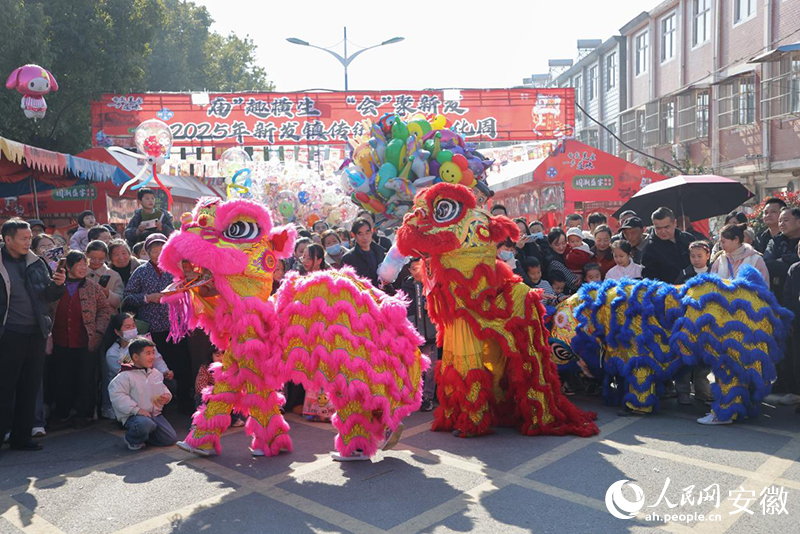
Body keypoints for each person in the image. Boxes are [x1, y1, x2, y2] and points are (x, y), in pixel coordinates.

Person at [0, 219, 66, 452]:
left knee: (29, 387)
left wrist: (58, 285)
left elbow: (46, 295)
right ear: (7, 239)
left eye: (30, 238)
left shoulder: (36, 262)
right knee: (4, 388)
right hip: (8, 334)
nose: (29, 242)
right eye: (23, 238)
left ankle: (21, 437)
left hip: (36, 331)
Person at [123, 233, 194, 414]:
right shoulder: (140, 271)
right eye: (154, 250)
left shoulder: (177, 269)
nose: (158, 253)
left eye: (162, 249)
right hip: (153, 329)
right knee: (156, 367)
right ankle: (160, 406)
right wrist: (148, 298)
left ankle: (185, 402)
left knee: (182, 365)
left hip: (177, 327)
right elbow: (128, 297)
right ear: (147, 252)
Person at [49, 251, 112, 429]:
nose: (84, 267)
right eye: (79, 264)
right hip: (60, 340)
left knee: (86, 378)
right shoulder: (56, 285)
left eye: (85, 264)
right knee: (62, 377)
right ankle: (63, 412)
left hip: (86, 340)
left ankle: (85, 414)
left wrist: (98, 332)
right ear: (68, 267)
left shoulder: (92, 287)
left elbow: (104, 310)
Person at [108, 338, 177, 451]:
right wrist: (136, 410)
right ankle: (132, 439)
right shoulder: (125, 376)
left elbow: (162, 388)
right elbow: (118, 395)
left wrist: (166, 397)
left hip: (154, 414)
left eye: (153, 353)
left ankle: (144, 436)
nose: (152, 357)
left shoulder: (155, 373)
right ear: (135, 357)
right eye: (148, 353)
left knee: (170, 438)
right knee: (144, 424)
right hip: (134, 416)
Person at [401, 258, 437, 412]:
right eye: (413, 268)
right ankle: (414, 396)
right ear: (409, 270)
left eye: (419, 267)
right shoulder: (406, 285)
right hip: (413, 332)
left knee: (430, 367)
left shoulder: (432, 282)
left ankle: (428, 397)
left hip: (431, 332)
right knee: (413, 366)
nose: (417, 271)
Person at [641, 207, 695, 283]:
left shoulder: (688, 239)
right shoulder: (649, 248)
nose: (663, 231)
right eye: (658, 228)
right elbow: (649, 279)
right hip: (667, 291)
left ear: (675, 223)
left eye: (666, 227)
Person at [780, 241, 800, 409]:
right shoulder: (794, 269)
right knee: (797, 360)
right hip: (797, 320)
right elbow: (787, 296)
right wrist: (790, 320)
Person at [764, 207, 800, 297]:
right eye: (780, 221)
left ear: (799, 222)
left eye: (786, 220)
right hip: (779, 295)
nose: (782, 224)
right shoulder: (775, 241)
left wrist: (784, 258)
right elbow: (768, 265)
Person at [341, 217, 386, 287]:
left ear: (371, 231)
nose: (365, 237)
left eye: (367, 233)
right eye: (360, 234)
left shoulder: (379, 252)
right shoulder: (348, 258)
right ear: (353, 235)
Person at [86, 240, 124, 308]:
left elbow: (121, 301)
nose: (96, 261)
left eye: (101, 259)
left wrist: (108, 293)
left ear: (106, 258)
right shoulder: (79, 272)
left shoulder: (113, 275)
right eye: (92, 258)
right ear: (86, 255)